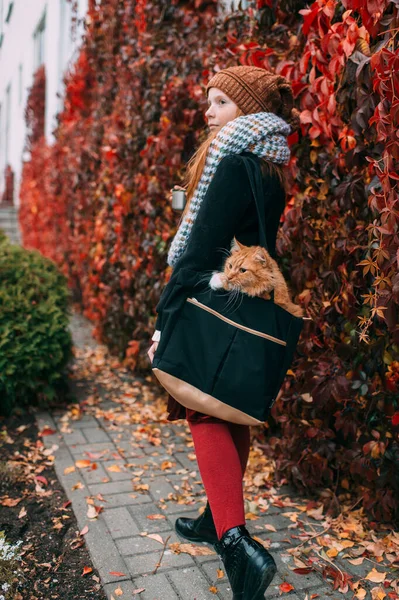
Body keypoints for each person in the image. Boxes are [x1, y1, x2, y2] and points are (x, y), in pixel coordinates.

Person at [147, 66, 300, 599]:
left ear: (248, 112)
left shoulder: (232, 163)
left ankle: (236, 543)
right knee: (228, 402)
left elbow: (197, 252)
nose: (207, 113)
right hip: (247, 304)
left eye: (218, 103)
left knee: (201, 409)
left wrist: (167, 316)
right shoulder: (270, 164)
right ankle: (217, 516)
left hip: (214, 298)